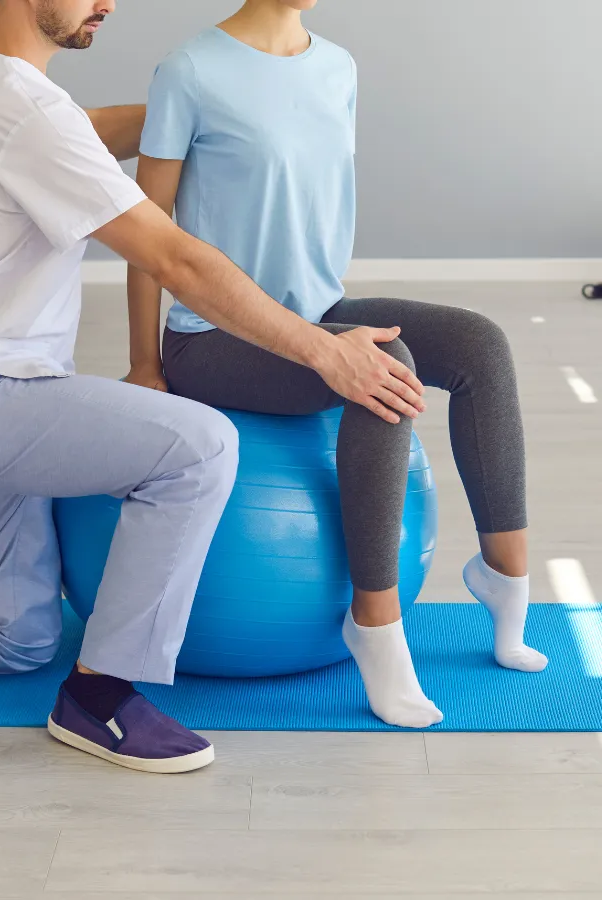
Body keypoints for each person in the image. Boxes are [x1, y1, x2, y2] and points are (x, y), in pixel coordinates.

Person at [0, 0, 432, 771]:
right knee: (198, 448)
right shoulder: (25, 109)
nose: (108, 3)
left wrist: (213, 105)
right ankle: (99, 700)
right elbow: (175, 260)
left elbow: (87, 130)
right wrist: (321, 353)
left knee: (18, 636)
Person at [125, 0, 549, 729]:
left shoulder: (338, 67)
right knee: (384, 362)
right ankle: (375, 627)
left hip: (317, 312)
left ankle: (505, 578)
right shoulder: (190, 70)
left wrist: (325, 326)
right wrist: (144, 364)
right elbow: (145, 233)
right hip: (213, 339)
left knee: (481, 344)